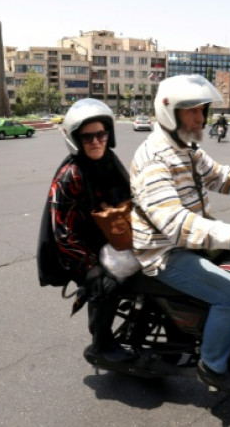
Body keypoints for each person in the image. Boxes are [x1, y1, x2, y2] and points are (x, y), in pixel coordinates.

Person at [130, 74, 230, 394]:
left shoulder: (186, 147)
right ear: (170, 112)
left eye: (202, 109)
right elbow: (175, 223)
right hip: (164, 251)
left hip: (189, 241)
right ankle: (212, 367)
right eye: (191, 110)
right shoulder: (154, 157)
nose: (200, 117)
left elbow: (220, 177)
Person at [47, 99, 133, 361]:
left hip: (115, 239)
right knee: (105, 284)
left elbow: (132, 196)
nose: (96, 141)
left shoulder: (110, 162)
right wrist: (89, 266)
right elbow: (62, 232)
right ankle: (102, 344)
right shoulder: (70, 175)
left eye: (101, 134)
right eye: (87, 137)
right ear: (75, 140)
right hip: (81, 251)